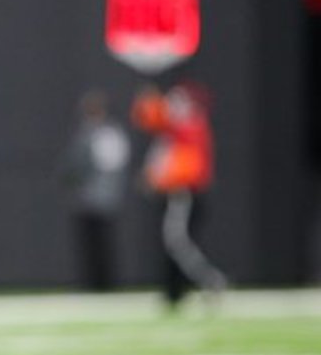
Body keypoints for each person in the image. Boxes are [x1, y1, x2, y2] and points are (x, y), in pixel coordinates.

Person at [132, 82, 226, 308]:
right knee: (174, 242)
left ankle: (208, 279)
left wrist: (152, 101)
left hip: (182, 193)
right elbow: (150, 120)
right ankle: (176, 291)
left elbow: (156, 117)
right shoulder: (177, 132)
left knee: (177, 241)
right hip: (178, 192)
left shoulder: (191, 126)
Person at [60, 90, 130, 291]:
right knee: (93, 244)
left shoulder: (102, 134)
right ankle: (96, 282)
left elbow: (80, 165)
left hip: (96, 198)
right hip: (95, 197)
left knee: (99, 244)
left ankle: (102, 283)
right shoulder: (101, 133)